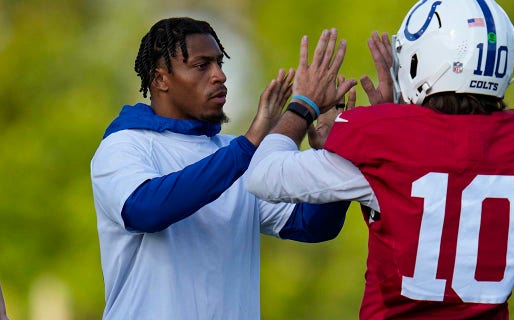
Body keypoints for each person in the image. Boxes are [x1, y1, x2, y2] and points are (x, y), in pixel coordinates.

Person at [246, 0, 514, 318]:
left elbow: (263, 175)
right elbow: (454, 161)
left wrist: (304, 104)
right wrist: (394, 114)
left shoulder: (384, 139)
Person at [90, 17, 350, 320]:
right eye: (202, 65)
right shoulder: (124, 145)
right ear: (160, 79)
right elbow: (144, 210)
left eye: (219, 63)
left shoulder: (232, 154)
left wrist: (334, 154)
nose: (220, 76)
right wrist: (251, 144)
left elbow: (313, 225)